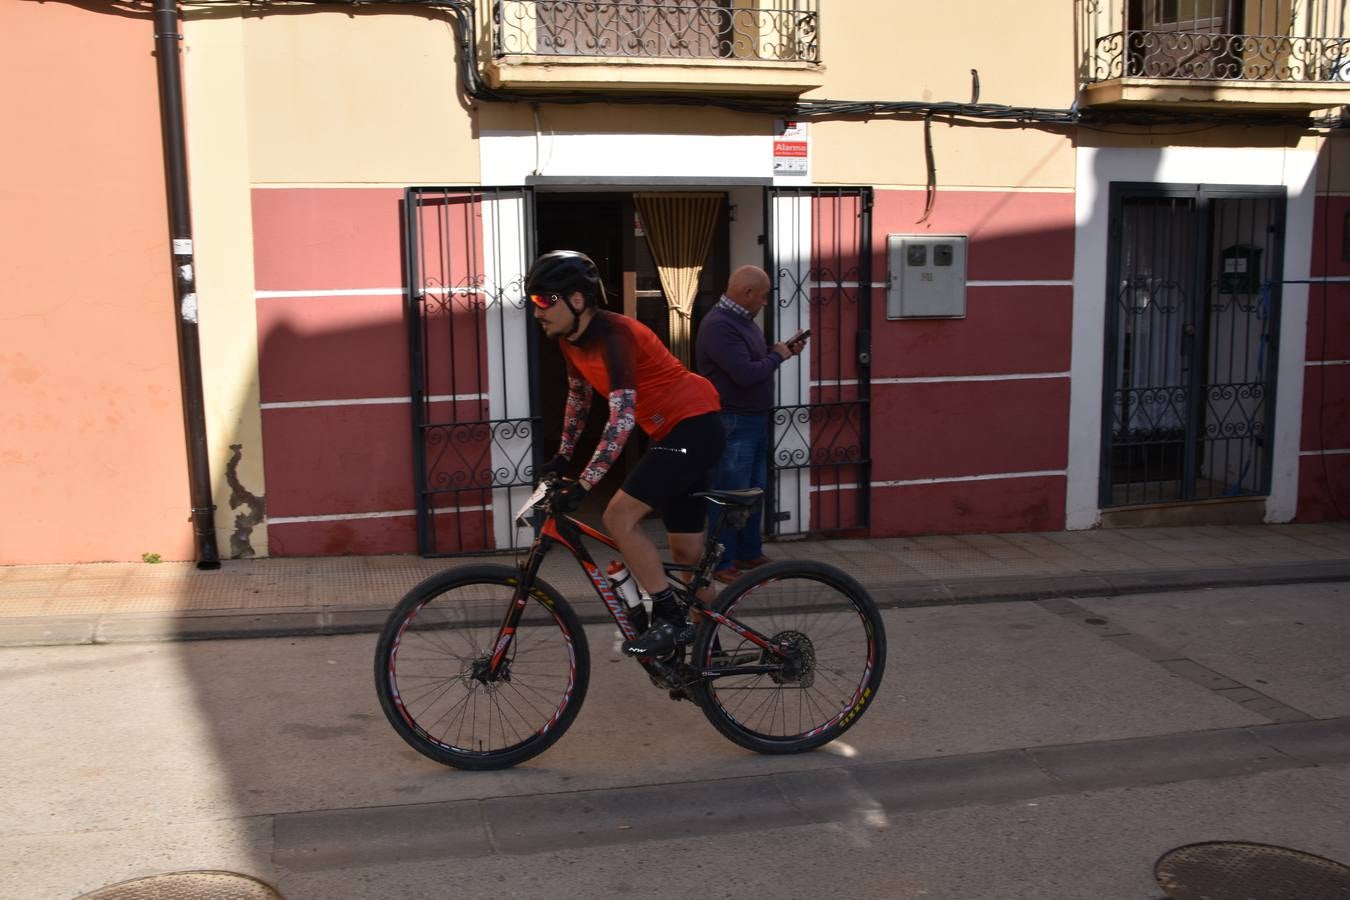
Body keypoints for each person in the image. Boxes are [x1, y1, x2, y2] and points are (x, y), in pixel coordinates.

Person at [527, 250, 725, 658]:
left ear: (577, 300)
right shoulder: (570, 342)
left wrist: (584, 484)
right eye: (533, 302)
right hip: (673, 431)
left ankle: (669, 619)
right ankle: (714, 645)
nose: (538, 312)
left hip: (695, 424)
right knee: (688, 556)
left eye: (545, 301)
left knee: (617, 516)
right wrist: (563, 458)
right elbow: (579, 400)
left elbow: (621, 418)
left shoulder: (614, 335)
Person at [694, 264, 807, 584]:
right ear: (747, 294)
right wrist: (778, 356)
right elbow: (746, 374)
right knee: (730, 493)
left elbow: (756, 363)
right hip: (732, 420)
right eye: (763, 295)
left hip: (753, 419)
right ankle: (721, 562)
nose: (765, 302)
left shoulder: (742, 322)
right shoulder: (720, 325)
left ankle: (747, 552)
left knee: (754, 489)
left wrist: (779, 351)